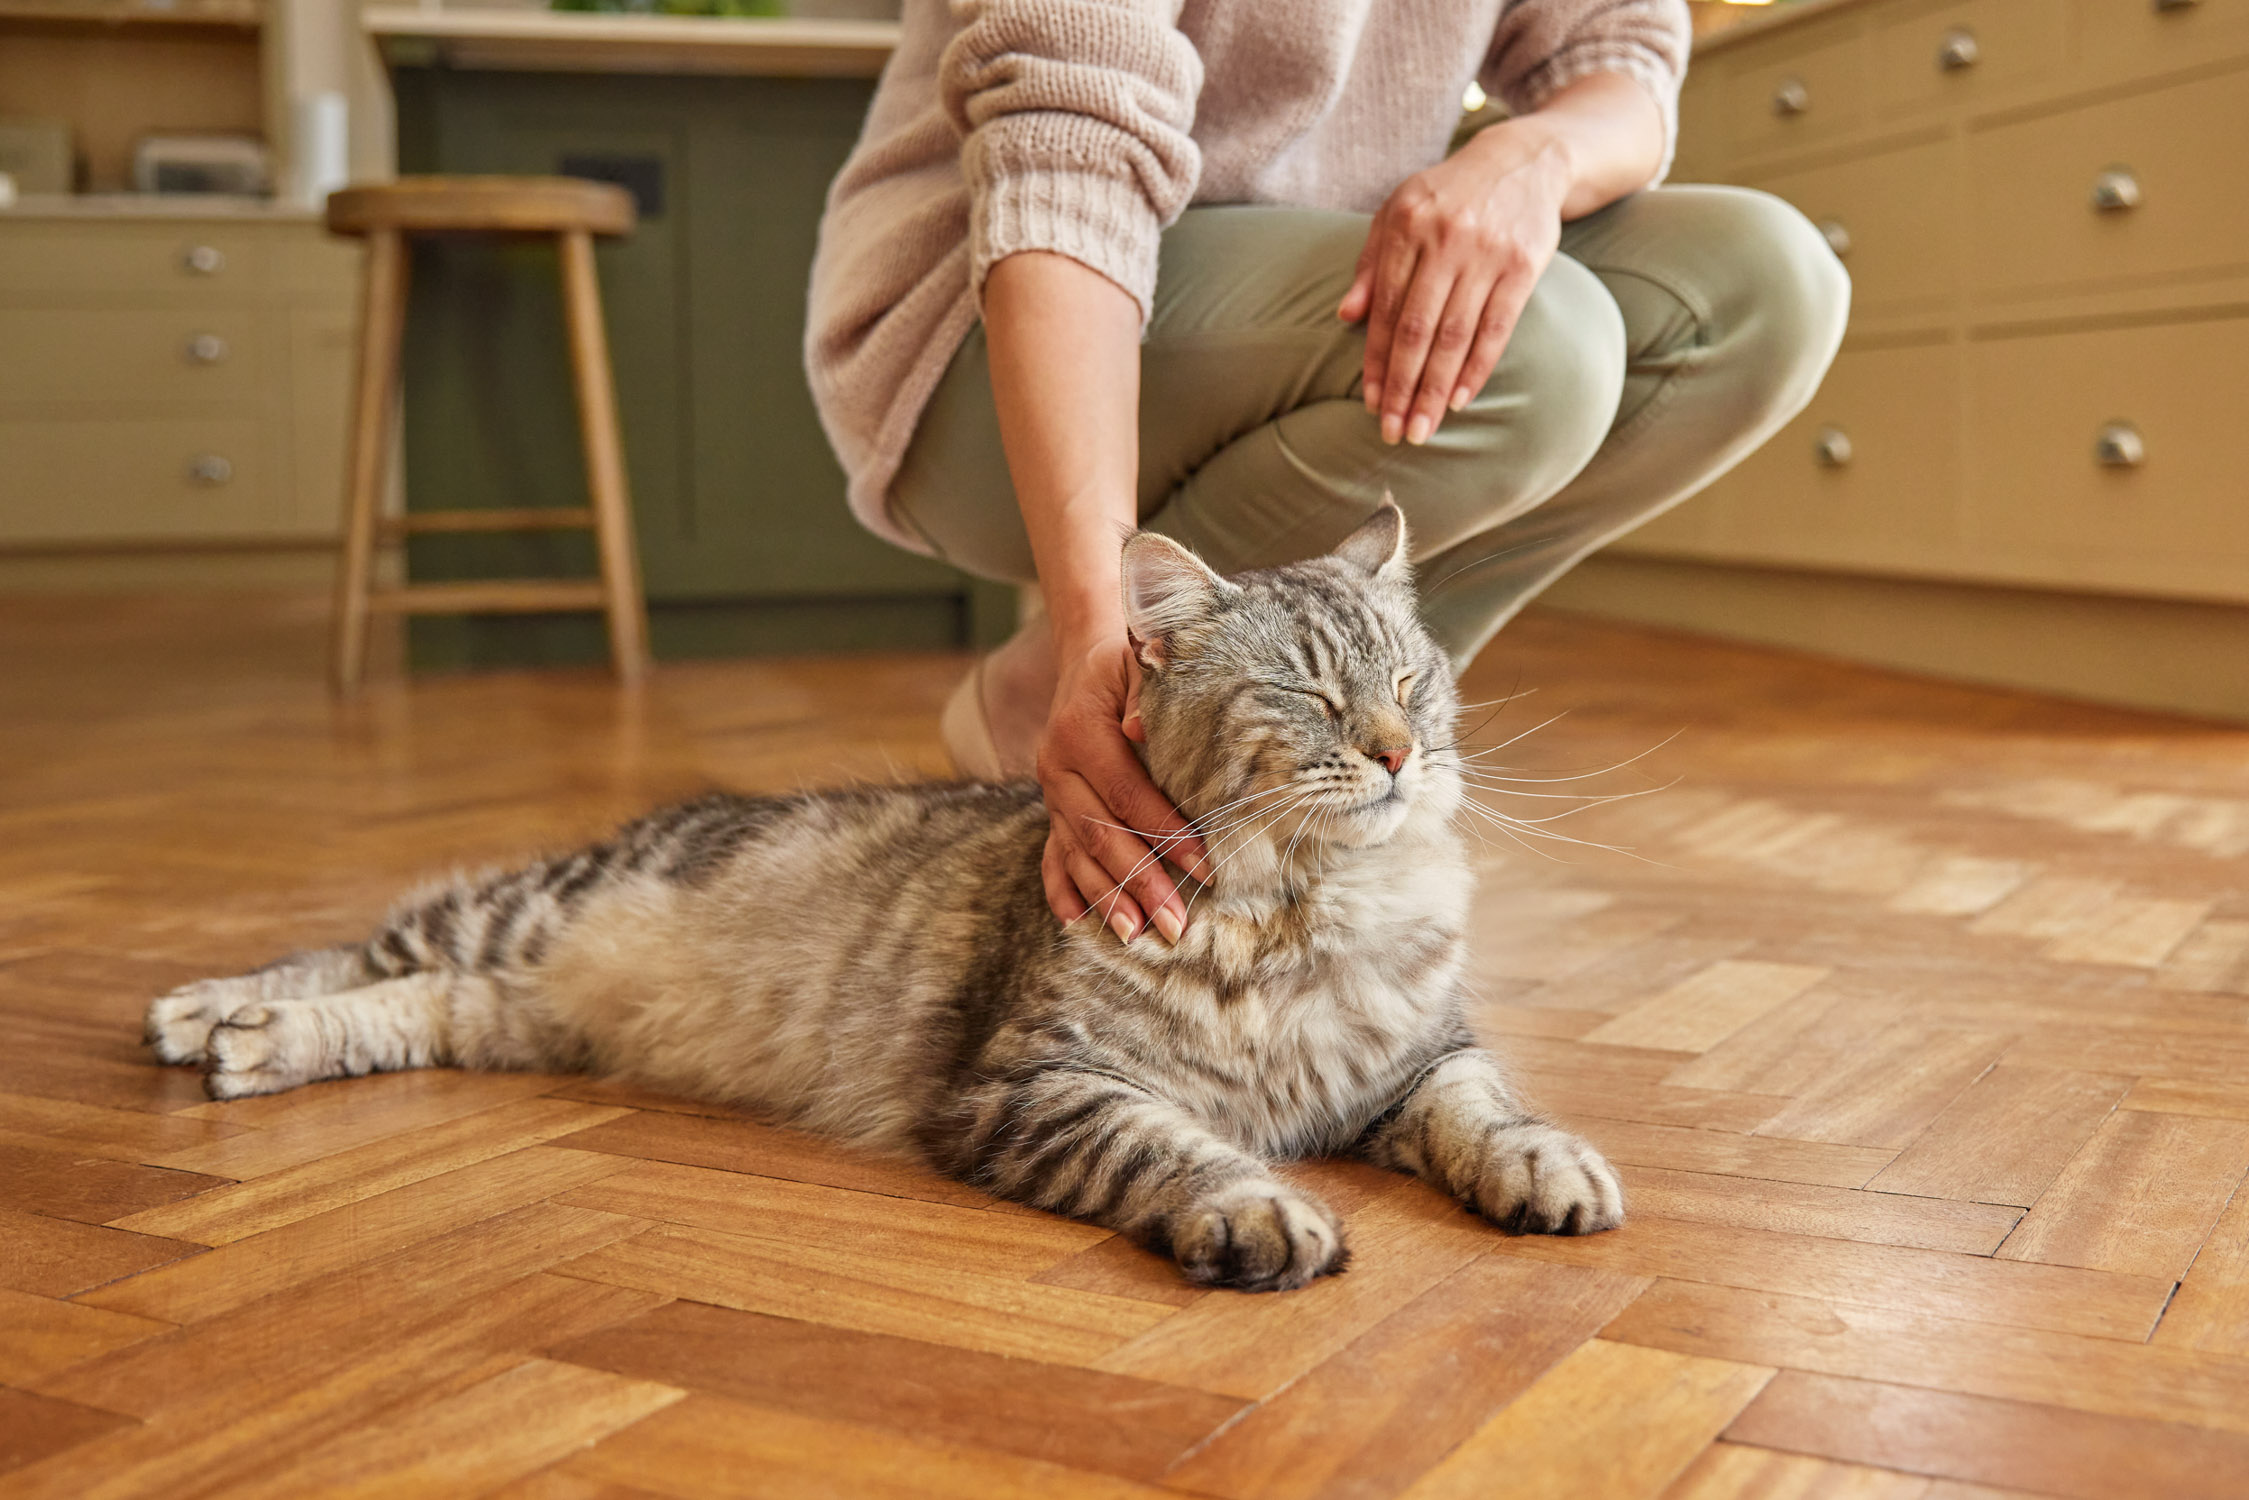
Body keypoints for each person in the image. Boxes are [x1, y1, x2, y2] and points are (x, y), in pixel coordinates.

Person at [804, 0, 1848, 948]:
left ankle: (1341, 754)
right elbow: (1066, 143)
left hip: (1317, 284)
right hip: (982, 320)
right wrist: (1094, 625)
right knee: (1537, 353)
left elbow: (1619, 54)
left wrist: (1531, 153)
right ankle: (1092, 696)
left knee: (1768, 285)